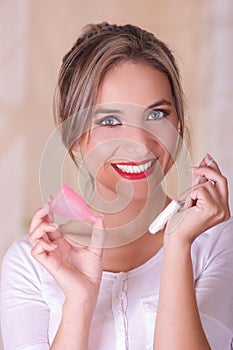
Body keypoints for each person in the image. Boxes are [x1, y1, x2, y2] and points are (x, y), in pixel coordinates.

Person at [1, 22, 233, 350]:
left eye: (157, 114)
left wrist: (178, 246)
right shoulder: (30, 264)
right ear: (75, 135)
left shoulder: (217, 244)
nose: (139, 143)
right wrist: (79, 303)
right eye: (110, 120)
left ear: (177, 123)